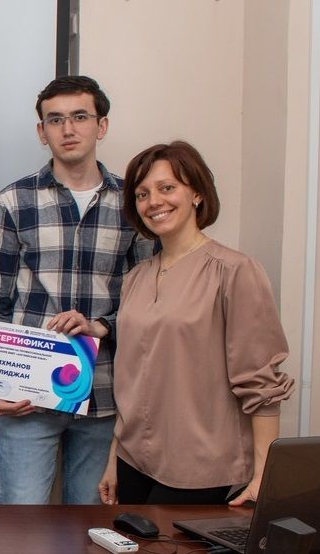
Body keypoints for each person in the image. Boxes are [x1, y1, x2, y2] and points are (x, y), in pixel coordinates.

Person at [98, 141, 294, 505]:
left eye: (167, 187)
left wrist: (263, 476)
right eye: (142, 194)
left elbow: (262, 383)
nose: (154, 201)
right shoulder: (136, 278)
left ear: (197, 194)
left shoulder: (234, 271)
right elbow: (130, 379)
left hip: (200, 466)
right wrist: (114, 459)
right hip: (134, 459)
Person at [0, 75, 150, 504]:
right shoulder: (13, 201)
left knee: (90, 525)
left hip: (104, 393)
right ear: (42, 132)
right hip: (28, 394)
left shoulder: (133, 204)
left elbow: (147, 301)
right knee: (21, 526)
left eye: (80, 117)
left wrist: (101, 325)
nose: (68, 129)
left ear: (102, 125)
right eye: (55, 120)